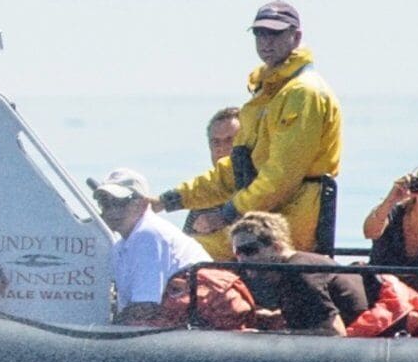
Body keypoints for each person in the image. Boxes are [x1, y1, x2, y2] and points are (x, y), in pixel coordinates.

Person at [159, 2, 344, 256]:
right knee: (178, 246)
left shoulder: (303, 93)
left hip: (287, 226)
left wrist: (225, 215)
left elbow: (280, 178)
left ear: (296, 36)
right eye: (260, 34)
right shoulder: (268, 93)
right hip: (261, 220)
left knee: (181, 252)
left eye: (275, 33)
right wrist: (165, 201)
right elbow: (236, 170)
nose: (266, 42)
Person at [93, 167, 207, 325]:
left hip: (197, 327)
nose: (111, 210)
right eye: (105, 203)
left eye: (119, 203)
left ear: (143, 204)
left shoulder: (148, 234)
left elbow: (146, 307)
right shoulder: (121, 246)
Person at [229, 212, 368, 334]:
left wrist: (269, 335)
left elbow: (335, 332)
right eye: (238, 253)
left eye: (249, 250)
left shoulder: (298, 273)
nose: (242, 259)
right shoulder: (299, 265)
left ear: (276, 247)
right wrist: (275, 316)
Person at [183, 108, 244, 251]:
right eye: (216, 142)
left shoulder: (262, 188)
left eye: (230, 140)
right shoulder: (203, 198)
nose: (222, 148)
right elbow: (184, 250)